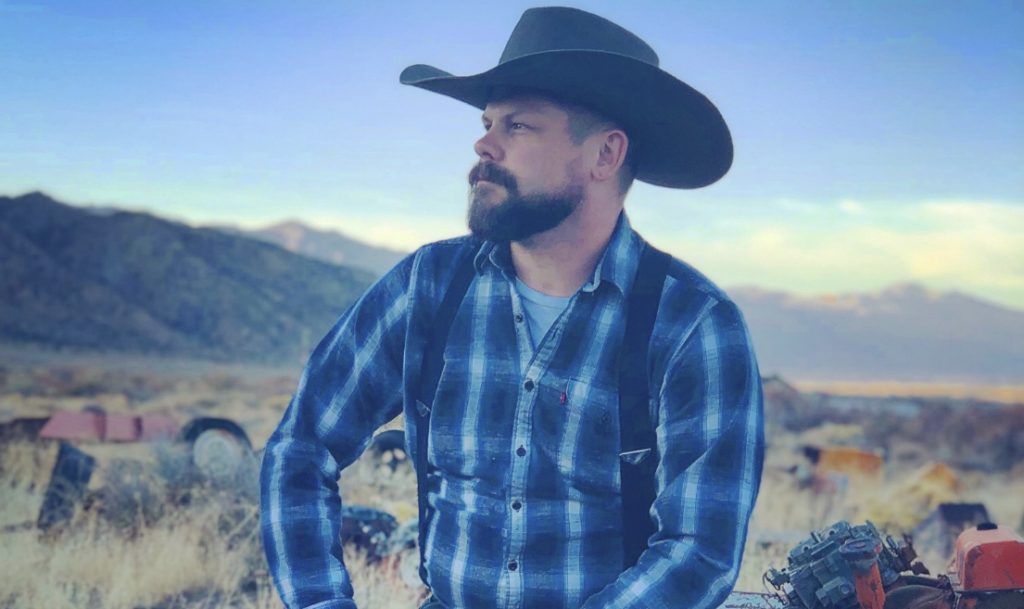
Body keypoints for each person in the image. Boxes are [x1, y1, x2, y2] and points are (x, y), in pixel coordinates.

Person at [261, 7, 764, 609]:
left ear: (605, 155)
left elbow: (698, 551)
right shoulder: (429, 285)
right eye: (487, 122)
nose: (484, 143)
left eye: (519, 126)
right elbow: (302, 445)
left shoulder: (693, 326)